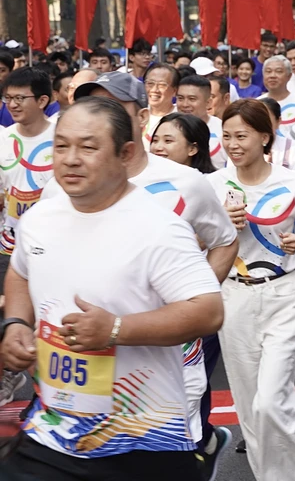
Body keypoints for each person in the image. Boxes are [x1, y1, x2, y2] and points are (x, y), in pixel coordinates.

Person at [0, 96, 224, 480]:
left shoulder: (157, 227)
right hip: (53, 431)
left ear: (125, 154)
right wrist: (17, 323)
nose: (70, 159)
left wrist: (116, 329)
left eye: (88, 147)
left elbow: (208, 309)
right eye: (61, 145)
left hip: (142, 439)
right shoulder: (41, 216)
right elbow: (21, 271)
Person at [207, 98, 295, 481]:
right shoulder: (212, 186)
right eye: (226, 136)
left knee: (272, 401)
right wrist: (223, 226)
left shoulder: (292, 181)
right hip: (234, 296)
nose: (233, 144)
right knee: (250, 409)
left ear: (265, 137)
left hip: (284, 293)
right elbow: (193, 243)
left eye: (241, 135)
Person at [0, 68, 55, 262]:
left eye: (20, 98)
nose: (12, 105)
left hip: (52, 246)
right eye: (8, 98)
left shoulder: (62, 139)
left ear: (42, 101)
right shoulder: (3, 138)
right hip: (9, 248)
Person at [176, 75, 226, 170]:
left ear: (208, 103)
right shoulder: (167, 127)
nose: (185, 104)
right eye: (181, 98)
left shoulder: (222, 130)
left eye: (192, 99)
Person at [150, 112, 217, 175]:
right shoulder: (144, 178)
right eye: (155, 140)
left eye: (168, 140)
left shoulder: (210, 183)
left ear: (192, 149)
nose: (157, 147)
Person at [258, 55, 295, 138]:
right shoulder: (256, 104)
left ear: (289, 76)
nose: (272, 75)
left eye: (278, 71)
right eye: (268, 71)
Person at [143, 64, 180, 147]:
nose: (154, 90)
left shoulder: (182, 118)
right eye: (150, 83)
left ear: (175, 91)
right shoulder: (138, 115)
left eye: (162, 85)